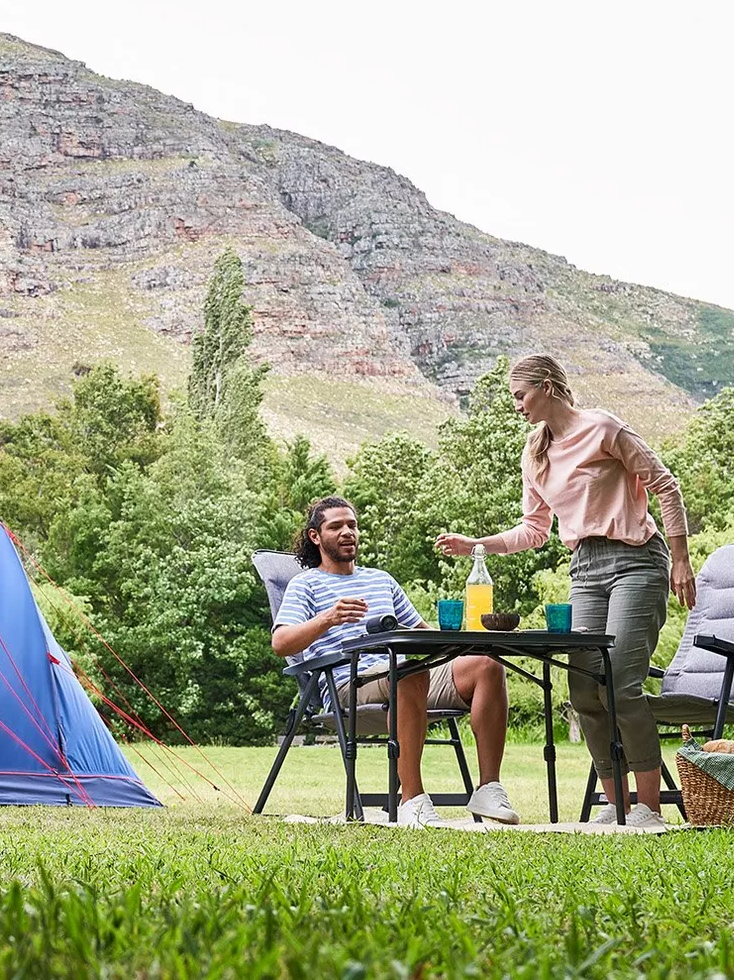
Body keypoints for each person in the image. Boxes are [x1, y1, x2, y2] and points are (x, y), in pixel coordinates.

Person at [435, 354, 694, 830]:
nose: (516, 406)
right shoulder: (534, 453)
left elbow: (666, 486)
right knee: (583, 690)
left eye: (521, 395)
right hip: (585, 570)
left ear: (548, 387)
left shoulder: (604, 428)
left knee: (620, 684)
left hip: (637, 560)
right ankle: (616, 804)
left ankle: (649, 809)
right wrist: (476, 545)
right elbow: (534, 530)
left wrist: (680, 557)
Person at [274, 496, 517, 827]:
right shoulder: (305, 584)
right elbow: (281, 643)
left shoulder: (381, 580)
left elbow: (423, 633)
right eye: (336, 526)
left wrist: (471, 638)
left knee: (487, 665)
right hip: (349, 684)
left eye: (352, 525)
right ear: (315, 536)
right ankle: (412, 801)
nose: (347, 532)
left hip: (405, 679)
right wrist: (328, 618)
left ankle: (488, 788)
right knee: (409, 672)